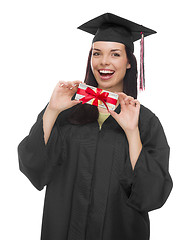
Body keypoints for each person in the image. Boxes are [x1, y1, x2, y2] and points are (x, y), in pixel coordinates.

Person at [18, 13, 173, 240]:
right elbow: (34, 168)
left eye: (115, 54)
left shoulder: (146, 122)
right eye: (97, 53)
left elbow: (153, 195)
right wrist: (51, 110)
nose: (104, 62)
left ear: (129, 61)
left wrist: (131, 132)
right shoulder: (66, 111)